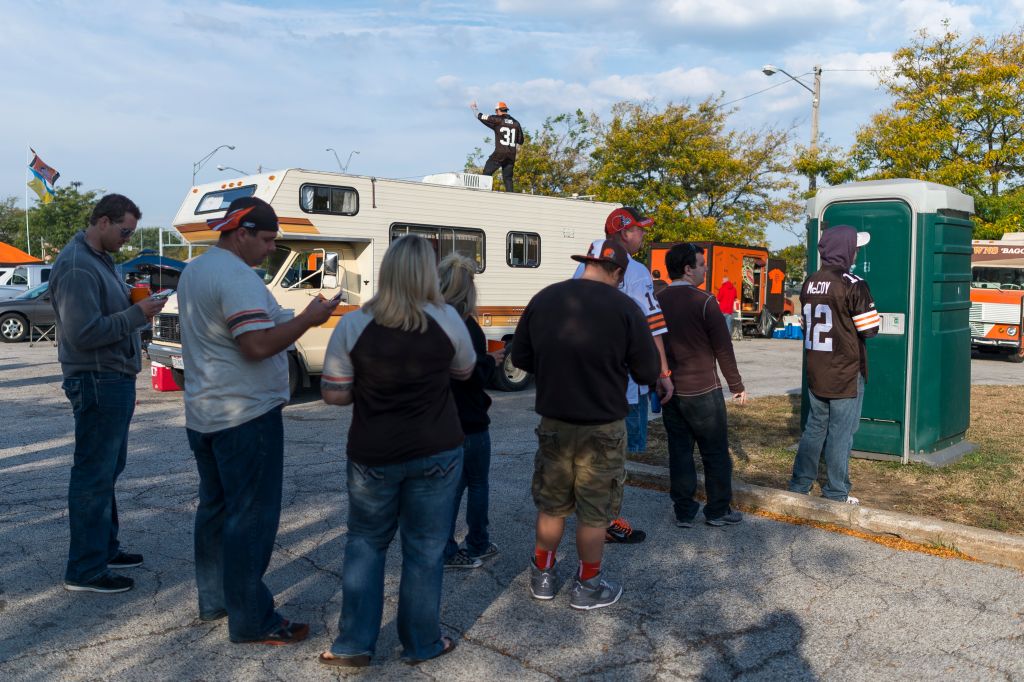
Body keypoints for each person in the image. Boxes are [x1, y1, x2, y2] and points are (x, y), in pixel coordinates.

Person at [177, 197, 338, 644]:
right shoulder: (237, 277)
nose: (270, 248)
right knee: (250, 518)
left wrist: (299, 315)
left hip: (206, 413)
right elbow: (257, 345)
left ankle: (216, 600)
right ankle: (252, 620)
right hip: (245, 415)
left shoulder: (196, 270)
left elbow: (260, 324)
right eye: (266, 239)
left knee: (216, 509)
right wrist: (308, 320)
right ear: (241, 232)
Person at [318, 235, 476, 667]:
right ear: (428, 272)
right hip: (438, 450)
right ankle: (422, 643)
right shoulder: (446, 319)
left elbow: (333, 394)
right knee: (425, 549)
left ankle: (352, 645)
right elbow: (464, 371)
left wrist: (368, 392)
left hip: (373, 454)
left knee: (365, 543)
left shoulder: (353, 324)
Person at [512, 239, 660, 610]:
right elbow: (648, 371)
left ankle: (543, 576)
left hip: (554, 421)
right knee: (595, 512)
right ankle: (588, 584)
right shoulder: (626, 308)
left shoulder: (545, 298)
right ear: (619, 273)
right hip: (603, 425)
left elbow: (521, 356)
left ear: (586, 264)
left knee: (552, 505)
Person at [50, 194, 167, 593]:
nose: (128, 240)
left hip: (110, 378)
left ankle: (102, 549)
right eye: (124, 231)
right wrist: (138, 314)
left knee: (105, 472)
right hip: (98, 380)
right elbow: (84, 334)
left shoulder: (99, 260)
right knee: (94, 475)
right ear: (102, 221)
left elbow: (100, 318)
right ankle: (85, 569)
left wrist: (132, 301)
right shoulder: (79, 265)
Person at [574, 206, 674, 544]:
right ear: (621, 233)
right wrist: (663, 370)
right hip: (623, 382)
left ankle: (592, 514)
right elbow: (653, 323)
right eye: (638, 230)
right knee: (615, 454)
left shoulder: (583, 266)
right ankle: (605, 520)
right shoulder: (634, 269)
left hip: (586, 379)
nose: (643, 235)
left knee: (589, 452)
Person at [657, 244, 748, 527]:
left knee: (680, 453)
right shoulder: (705, 301)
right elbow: (724, 348)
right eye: (701, 264)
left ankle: (684, 512)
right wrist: (736, 385)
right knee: (715, 453)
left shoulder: (656, 300)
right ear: (687, 268)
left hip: (670, 389)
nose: (705, 268)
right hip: (704, 391)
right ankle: (718, 511)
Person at [788, 225, 879, 505]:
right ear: (845, 249)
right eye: (855, 247)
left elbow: (806, 325)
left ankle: (800, 483)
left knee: (815, 427)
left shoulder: (809, 282)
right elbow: (869, 329)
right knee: (842, 432)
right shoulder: (853, 283)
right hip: (845, 371)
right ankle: (837, 491)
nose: (856, 252)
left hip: (817, 368)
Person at [438, 254, 506, 570]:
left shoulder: (430, 321)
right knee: (477, 483)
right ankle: (476, 543)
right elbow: (474, 376)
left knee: (450, 488)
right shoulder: (467, 325)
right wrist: (494, 360)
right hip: (470, 418)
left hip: (440, 419)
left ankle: (445, 547)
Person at [469, 100, 524, 192]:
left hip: (500, 153)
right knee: (508, 178)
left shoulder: (497, 119)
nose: (496, 113)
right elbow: (521, 141)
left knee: (487, 172)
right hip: (511, 155)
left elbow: (479, 116)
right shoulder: (516, 123)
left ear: (498, 110)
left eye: (496, 111)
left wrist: (474, 108)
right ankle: (511, 198)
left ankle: (484, 193)